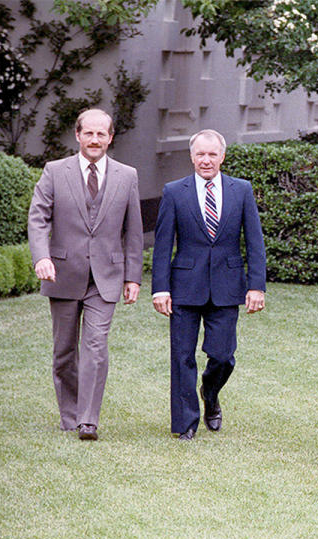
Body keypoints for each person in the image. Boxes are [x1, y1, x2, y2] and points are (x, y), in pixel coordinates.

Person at [27, 108, 143, 441]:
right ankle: (70, 415)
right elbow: (38, 219)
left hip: (105, 276)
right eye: (88, 133)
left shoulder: (127, 176)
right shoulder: (54, 171)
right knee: (64, 351)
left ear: (110, 138)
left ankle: (88, 420)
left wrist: (132, 277)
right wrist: (42, 257)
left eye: (101, 134)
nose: (95, 140)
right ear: (78, 135)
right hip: (62, 273)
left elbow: (133, 230)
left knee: (96, 345)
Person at [151, 129, 267, 440]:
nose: (206, 160)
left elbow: (254, 241)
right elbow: (163, 245)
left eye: (212, 154)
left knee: (223, 354)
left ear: (222, 157)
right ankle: (185, 424)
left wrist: (257, 286)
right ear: (191, 157)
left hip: (227, 286)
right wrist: (160, 288)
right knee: (182, 355)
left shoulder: (241, 190)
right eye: (200, 154)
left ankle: (210, 393)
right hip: (185, 286)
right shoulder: (175, 191)